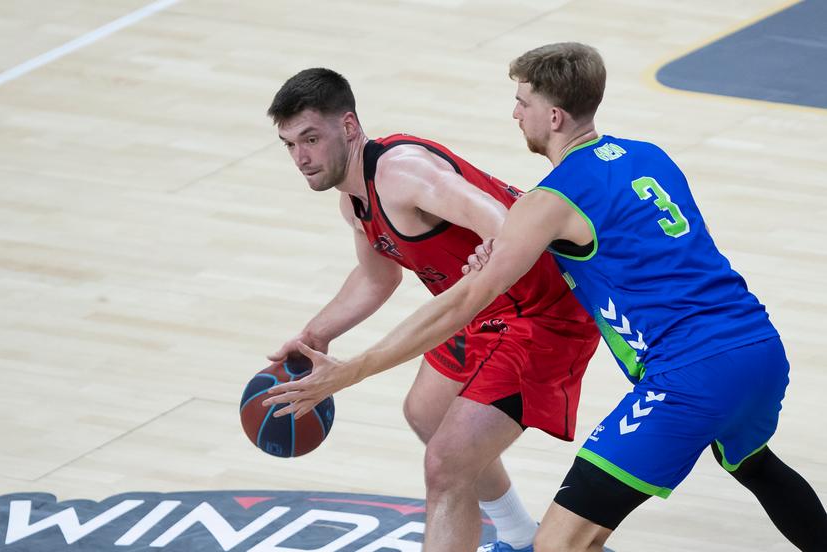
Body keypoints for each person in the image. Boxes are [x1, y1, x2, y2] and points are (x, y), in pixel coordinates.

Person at [265, 45, 827, 552]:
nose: (515, 114)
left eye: (522, 102)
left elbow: (470, 293)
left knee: (557, 544)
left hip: (684, 375)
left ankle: (520, 537)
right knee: (756, 466)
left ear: (552, 116)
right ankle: (512, 533)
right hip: (758, 346)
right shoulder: (648, 156)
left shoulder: (546, 201)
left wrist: (354, 370)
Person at [262, 67, 600, 552]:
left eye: (311, 139)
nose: (301, 157)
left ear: (350, 127)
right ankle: (521, 537)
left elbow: (502, 219)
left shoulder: (402, 174)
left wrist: (493, 242)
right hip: (483, 309)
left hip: (541, 312)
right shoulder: (355, 201)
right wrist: (317, 334)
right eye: (290, 144)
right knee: (425, 412)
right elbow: (377, 276)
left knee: (446, 466)